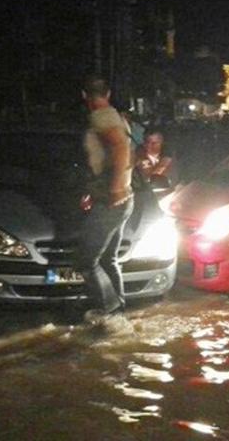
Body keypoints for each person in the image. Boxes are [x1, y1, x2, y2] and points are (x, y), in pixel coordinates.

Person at [78, 77, 134, 318]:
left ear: (84, 96)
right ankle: (118, 310)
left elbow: (120, 148)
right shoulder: (117, 116)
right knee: (109, 259)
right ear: (108, 94)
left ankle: (109, 313)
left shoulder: (101, 117)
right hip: (124, 199)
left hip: (112, 201)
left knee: (85, 261)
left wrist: (114, 189)